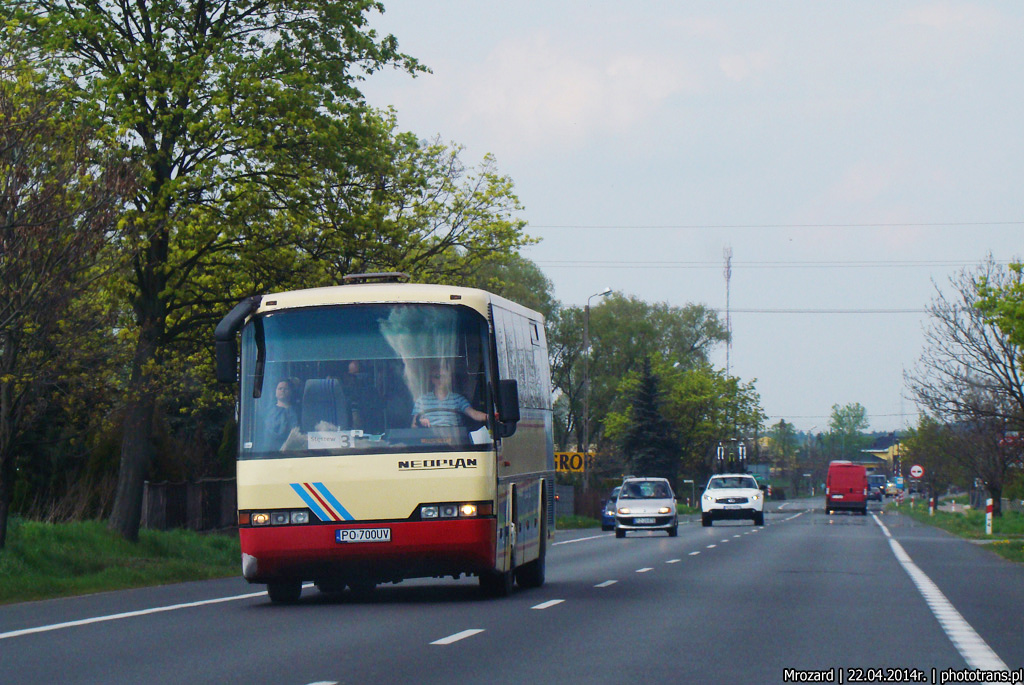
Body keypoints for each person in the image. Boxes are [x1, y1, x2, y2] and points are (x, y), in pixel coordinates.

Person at [412, 365, 487, 428]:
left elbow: (473, 414)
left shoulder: (458, 399)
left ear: (449, 378)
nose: (440, 380)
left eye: (443, 377)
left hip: (455, 442)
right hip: (429, 441)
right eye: (436, 377)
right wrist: (420, 422)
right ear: (432, 379)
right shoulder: (422, 400)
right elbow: (413, 426)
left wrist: (490, 417)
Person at [266, 378, 299, 449]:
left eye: (286, 389)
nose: (282, 390)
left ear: (291, 392)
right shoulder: (269, 411)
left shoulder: (298, 410)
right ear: (275, 392)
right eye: (280, 388)